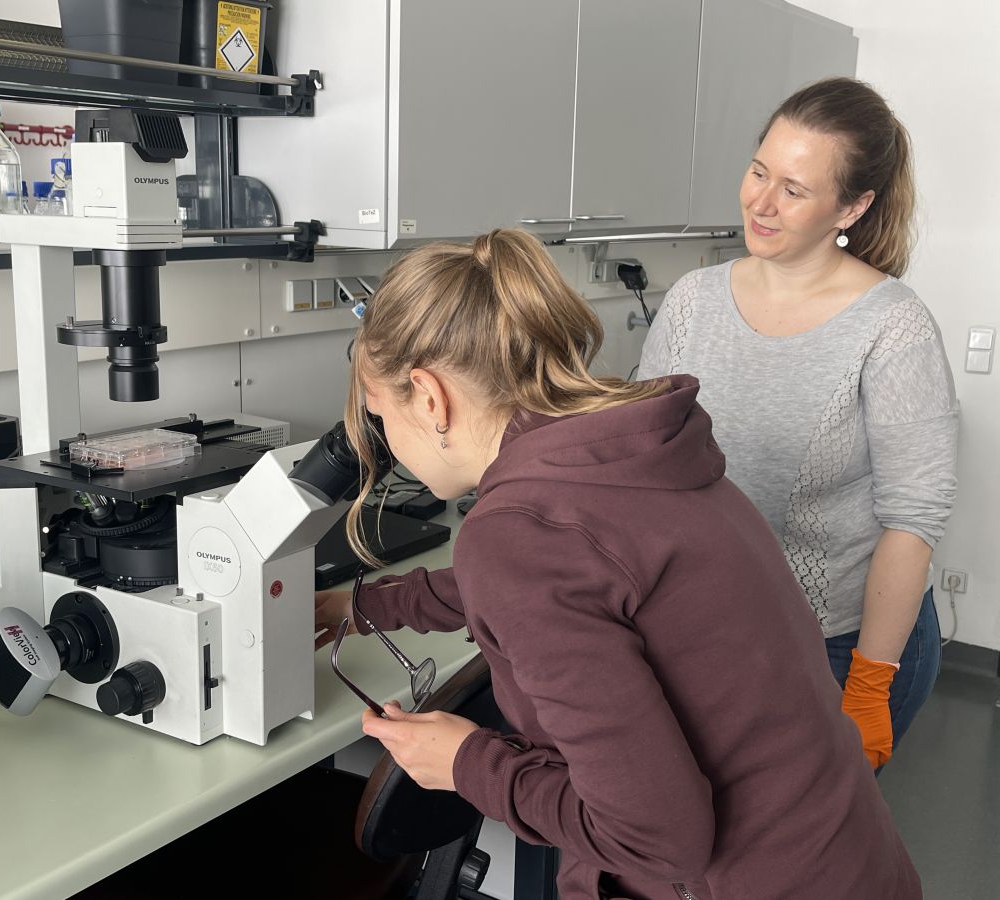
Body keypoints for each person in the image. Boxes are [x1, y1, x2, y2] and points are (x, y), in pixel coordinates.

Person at [315, 228, 921, 899]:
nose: (389, 448)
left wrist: (465, 762)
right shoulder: (630, 456)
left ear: (429, 398)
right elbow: (568, 581)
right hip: (845, 857)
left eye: (380, 414)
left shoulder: (519, 536)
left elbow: (656, 838)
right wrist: (364, 605)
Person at [638, 76, 959, 772]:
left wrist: (869, 686)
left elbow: (913, 520)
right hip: (711, 632)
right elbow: (643, 459)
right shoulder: (692, 301)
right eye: (758, 172)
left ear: (854, 205)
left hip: (841, 647)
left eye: (794, 188)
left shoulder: (893, 327)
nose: (761, 201)